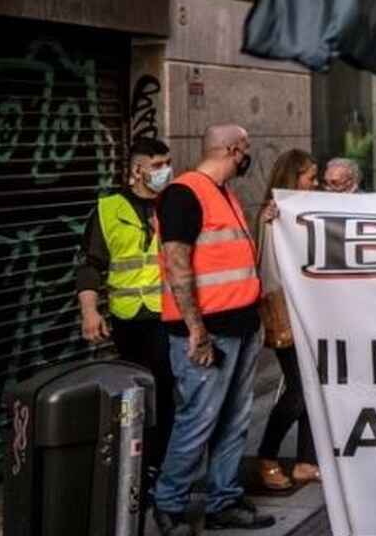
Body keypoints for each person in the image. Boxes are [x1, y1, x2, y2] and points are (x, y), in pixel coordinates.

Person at [151, 124, 272, 534]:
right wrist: (196, 331)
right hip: (208, 333)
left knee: (234, 421)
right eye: (246, 149)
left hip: (242, 325)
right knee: (198, 420)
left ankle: (224, 501)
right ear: (233, 149)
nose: (247, 156)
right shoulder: (184, 194)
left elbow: (231, 259)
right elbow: (176, 264)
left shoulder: (225, 194)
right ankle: (168, 503)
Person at [75, 137, 176, 497]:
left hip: (168, 314)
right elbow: (90, 265)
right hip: (128, 320)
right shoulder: (108, 209)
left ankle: (159, 468)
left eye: (168, 163)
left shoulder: (174, 203)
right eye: (158, 165)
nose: (166, 171)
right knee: (139, 395)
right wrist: (90, 311)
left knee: (166, 391)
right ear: (137, 169)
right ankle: (139, 466)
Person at [254, 150, 319, 493]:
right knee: (299, 390)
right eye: (311, 176)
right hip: (288, 315)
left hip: (309, 315)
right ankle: (267, 455)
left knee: (311, 388)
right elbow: (271, 273)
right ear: (294, 177)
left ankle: (306, 461)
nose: (315, 183)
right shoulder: (274, 214)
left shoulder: (299, 211)